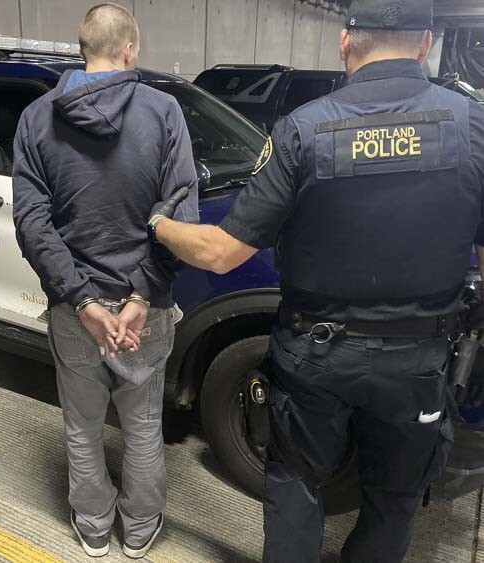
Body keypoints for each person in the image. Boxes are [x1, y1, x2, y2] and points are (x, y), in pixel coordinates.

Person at [146, 0, 484, 561]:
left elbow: (223, 252)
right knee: (395, 500)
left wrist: (160, 226)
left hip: (316, 356)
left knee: (296, 486)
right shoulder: (473, 127)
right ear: (425, 44)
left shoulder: (305, 129)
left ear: (346, 41)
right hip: (420, 362)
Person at [12, 3, 199, 558]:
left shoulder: (37, 117)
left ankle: (93, 529)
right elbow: (182, 212)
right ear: (130, 49)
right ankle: (139, 531)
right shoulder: (164, 112)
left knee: (82, 425)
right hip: (148, 307)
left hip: (75, 314)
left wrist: (82, 299)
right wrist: (141, 294)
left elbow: (31, 221)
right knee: (142, 425)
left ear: (81, 48)